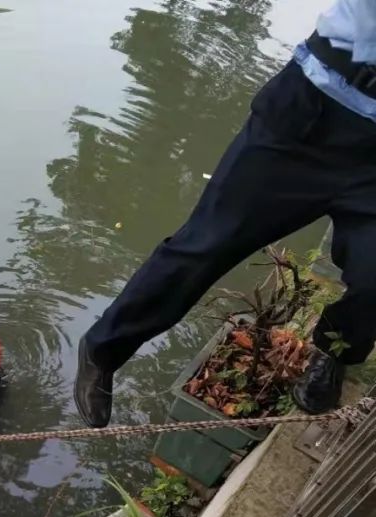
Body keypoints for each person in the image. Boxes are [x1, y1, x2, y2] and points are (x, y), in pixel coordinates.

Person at [75, 1, 376, 428]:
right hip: (311, 113)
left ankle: (335, 352)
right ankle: (103, 347)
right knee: (207, 243)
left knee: (374, 276)